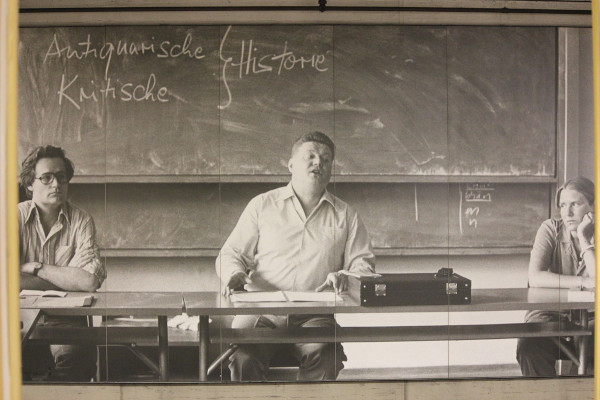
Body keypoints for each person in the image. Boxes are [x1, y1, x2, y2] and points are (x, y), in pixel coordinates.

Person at [216, 131, 376, 381]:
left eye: (325, 159)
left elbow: (363, 265)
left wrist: (346, 276)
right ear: (291, 164)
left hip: (315, 314)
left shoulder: (346, 216)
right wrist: (234, 273)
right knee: (243, 356)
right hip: (261, 308)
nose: (318, 163)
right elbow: (232, 252)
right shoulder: (262, 205)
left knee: (326, 356)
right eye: (310, 156)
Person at [19, 145, 106, 381]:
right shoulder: (11, 217)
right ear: (29, 184)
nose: (56, 184)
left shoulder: (81, 220)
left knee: (76, 359)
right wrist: (65, 280)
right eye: (46, 178)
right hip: (17, 315)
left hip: (66, 317)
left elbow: (88, 281)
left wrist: (37, 267)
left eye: (61, 177)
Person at [516, 176, 595, 376]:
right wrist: (584, 282)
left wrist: (585, 241)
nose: (567, 213)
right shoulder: (551, 228)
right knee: (529, 346)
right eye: (562, 205)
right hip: (552, 312)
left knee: (592, 342)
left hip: (594, 315)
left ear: (593, 205)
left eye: (575, 204)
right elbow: (535, 277)